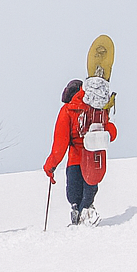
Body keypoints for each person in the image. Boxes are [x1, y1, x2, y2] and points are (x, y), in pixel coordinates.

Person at [43, 76, 119, 225]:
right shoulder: (96, 109)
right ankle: (87, 213)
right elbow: (111, 134)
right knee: (89, 193)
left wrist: (50, 166)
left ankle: (77, 214)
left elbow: (60, 143)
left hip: (74, 160)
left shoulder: (67, 110)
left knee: (74, 196)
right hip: (94, 159)